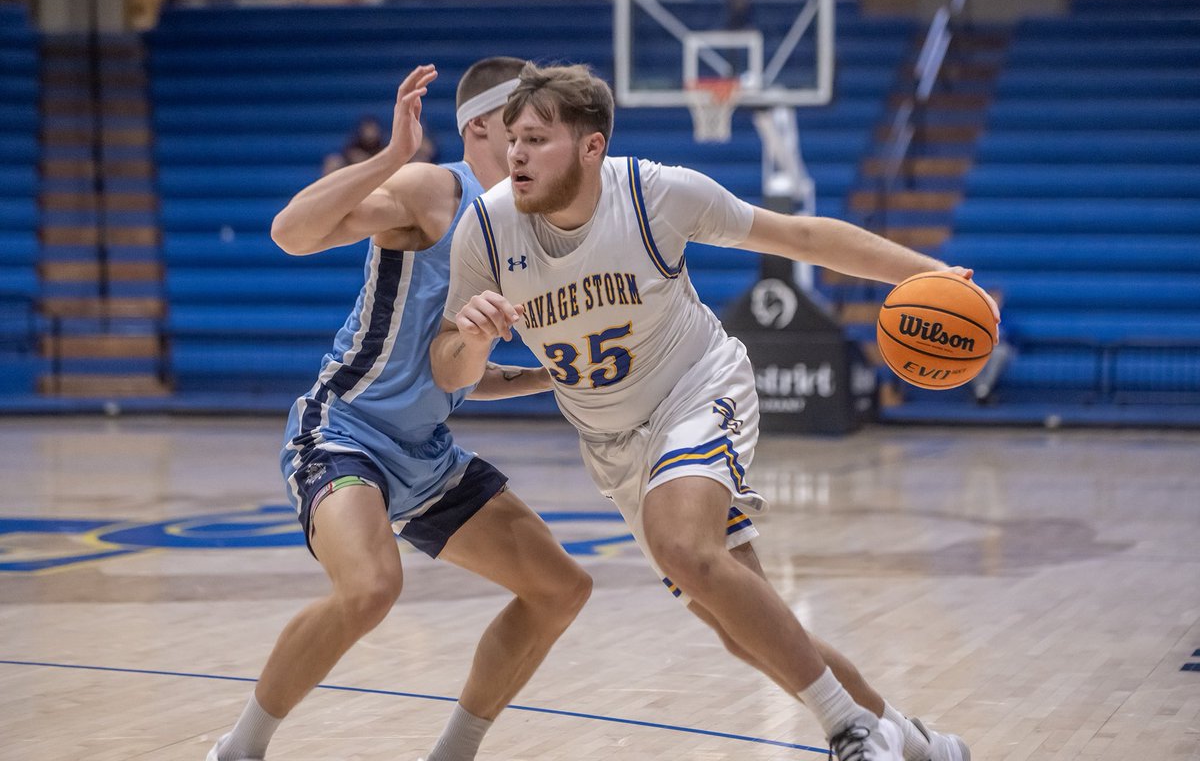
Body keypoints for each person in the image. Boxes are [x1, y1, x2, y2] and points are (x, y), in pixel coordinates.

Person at [430, 62, 996, 761]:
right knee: (741, 625)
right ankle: (910, 740)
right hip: (614, 445)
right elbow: (449, 370)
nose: (516, 154)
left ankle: (848, 732)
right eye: (513, 138)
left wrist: (927, 274)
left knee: (682, 545)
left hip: (695, 389)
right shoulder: (486, 230)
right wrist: (471, 343)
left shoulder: (655, 195)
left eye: (537, 140)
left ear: (591, 146)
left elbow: (802, 238)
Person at [207, 58, 592, 761]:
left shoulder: (521, 228)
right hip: (345, 429)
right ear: (481, 126)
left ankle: (452, 754)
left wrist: (557, 376)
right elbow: (290, 233)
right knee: (371, 588)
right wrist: (392, 156)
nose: (533, 133)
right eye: (521, 120)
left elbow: (460, 376)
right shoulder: (434, 189)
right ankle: (239, 749)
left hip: (425, 450)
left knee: (560, 588)